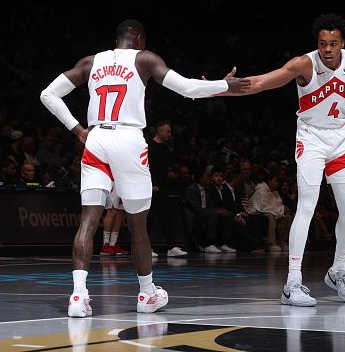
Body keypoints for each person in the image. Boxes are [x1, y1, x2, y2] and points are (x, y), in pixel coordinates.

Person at [39, 18, 249, 317]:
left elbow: (47, 95)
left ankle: (78, 297)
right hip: (128, 138)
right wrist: (223, 85)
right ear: (138, 38)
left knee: (88, 220)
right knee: (137, 225)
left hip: (97, 137)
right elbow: (187, 88)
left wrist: (78, 130)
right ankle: (147, 294)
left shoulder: (90, 62)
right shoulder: (145, 59)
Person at [216, 13, 345, 306]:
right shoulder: (303, 64)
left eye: (333, 44)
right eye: (323, 43)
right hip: (311, 138)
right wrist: (222, 87)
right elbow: (263, 82)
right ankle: (292, 284)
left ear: (342, 44)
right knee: (307, 206)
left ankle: (338, 272)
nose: (327, 49)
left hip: (341, 140)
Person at [147, 120, 188, 257]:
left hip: (163, 188)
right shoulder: (149, 146)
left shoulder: (165, 148)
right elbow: (147, 168)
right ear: (159, 131)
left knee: (167, 218)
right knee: (149, 219)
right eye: (167, 131)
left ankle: (171, 247)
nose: (170, 134)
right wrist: (152, 184)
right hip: (151, 188)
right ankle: (147, 247)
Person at [100, 186, 130, 256]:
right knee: (112, 210)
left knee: (120, 212)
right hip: (113, 181)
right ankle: (105, 244)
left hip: (123, 182)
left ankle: (113, 244)